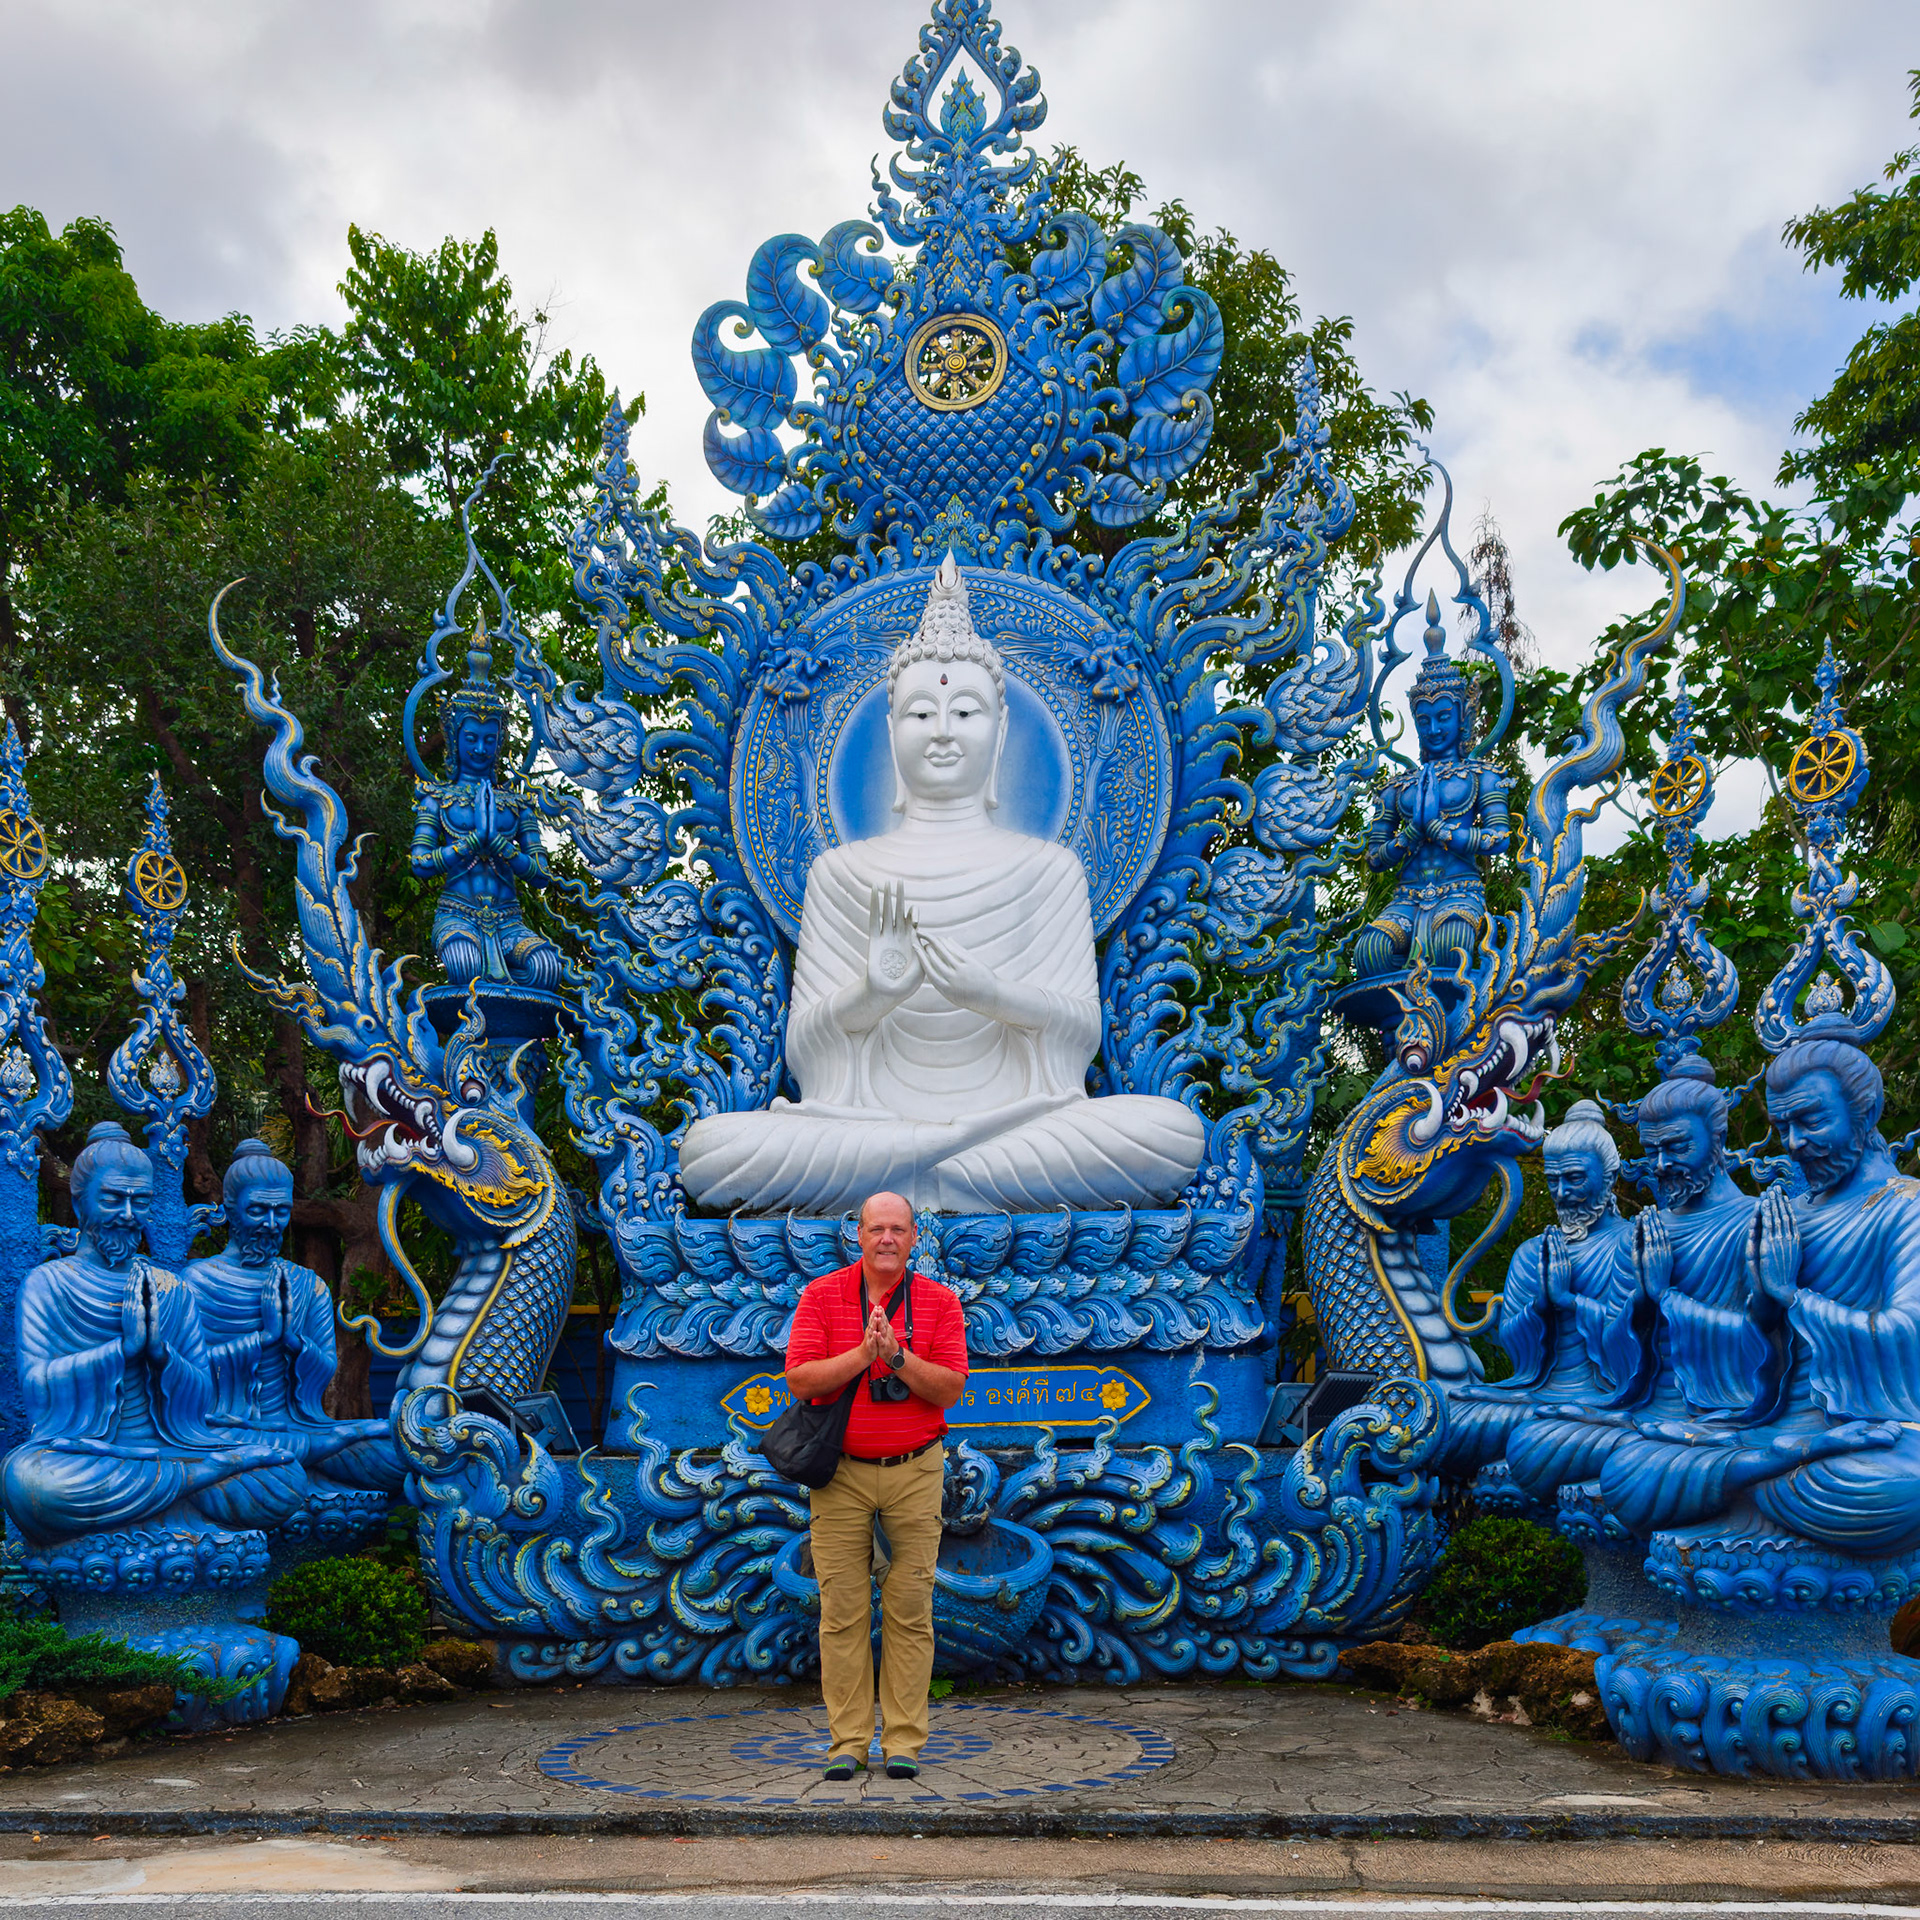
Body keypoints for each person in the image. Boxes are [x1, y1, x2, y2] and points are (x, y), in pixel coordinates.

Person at [679, 555, 1205, 1214]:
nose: (944, 731)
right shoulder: (841, 873)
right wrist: (871, 995)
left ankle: (918, 1181)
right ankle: (946, 1175)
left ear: (1001, 728)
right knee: (712, 1151)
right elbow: (807, 1053)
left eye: (966, 711)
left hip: (1017, 1126)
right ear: (892, 729)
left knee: (1167, 1135)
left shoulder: (1048, 870)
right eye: (922, 714)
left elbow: (1079, 1033)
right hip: (865, 1133)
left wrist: (994, 995)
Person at [1, 1122, 307, 1549]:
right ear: (79, 1200)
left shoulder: (170, 1287)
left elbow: (202, 1397)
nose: (128, 1214)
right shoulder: (48, 1283)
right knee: (33, 1484)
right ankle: (194, 1483)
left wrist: (161, 1354)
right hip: (86, 1458)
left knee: (284, 1477)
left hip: (169, 1447)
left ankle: (186, 1482)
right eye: (113, 1198)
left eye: (140, 1200)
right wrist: (122, 1351)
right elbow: (37, 1387)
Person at [783, 1190, 969, 1782]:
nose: (886, 1239)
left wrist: (896, 1357)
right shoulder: (823, 1295)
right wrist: (863, 1355)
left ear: (915, 1238)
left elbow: (948, 1388)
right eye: (876, 1229)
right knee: (841, 1610)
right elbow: (800, 1379)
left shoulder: (939, 1302)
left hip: (915, 1471)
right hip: (840, 1475)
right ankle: (849, 1740)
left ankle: (906, 1741)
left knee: (910, 1609)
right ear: (856, 1235)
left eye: (898, 1229)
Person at [1438, 1100, 1646, 1479]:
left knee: (1546, 1435)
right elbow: (1517, 1350)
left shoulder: (1632, 1245)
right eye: (1553, 1180)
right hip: (1538, 1394)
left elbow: (1636, 1349)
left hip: (1603, 1401)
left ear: (1610, 1176)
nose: (1562, 1193)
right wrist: (1540, 1305)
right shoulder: (1532, 1253)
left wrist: (1569, 1302)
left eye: (1576, 1178)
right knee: (1449, 1420)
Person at [184, 1139, 405, 1494]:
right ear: (228, 1208)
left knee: (394, 1450)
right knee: (267, 1470)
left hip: (300, 1428)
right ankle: (285, 1468)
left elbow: (326, 1367)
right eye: (257, 1210)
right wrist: (264, 1339)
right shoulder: (196, 1281)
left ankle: (290, 1464)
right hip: (227, 1429)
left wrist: (292, 1341)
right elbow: (186, 1376)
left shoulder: (306, 1284)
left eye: (281, 1211)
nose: (272, 1224)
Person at [409, 624, 562, 992]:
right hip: (457, 916)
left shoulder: (517, 803)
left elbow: (541, 873)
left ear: (500, 742)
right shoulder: (437, 798)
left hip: (509, 922)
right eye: (472, 738)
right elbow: (420, 864)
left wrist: (499, 846)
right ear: (454, 739)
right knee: (464, 965)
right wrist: (472, 841)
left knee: (546, 968)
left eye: (489, 740)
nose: (480, 749)